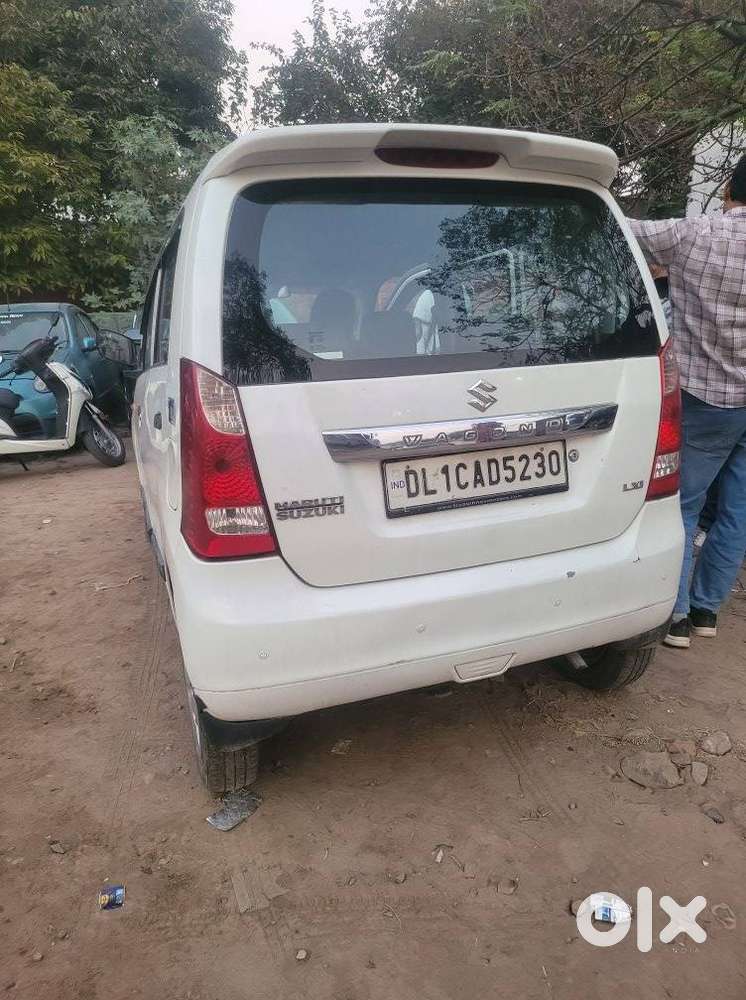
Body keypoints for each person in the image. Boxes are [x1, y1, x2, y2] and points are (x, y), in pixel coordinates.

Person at [629, 154, 746, 649]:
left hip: (706, 400)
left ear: (726, 191)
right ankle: (705, 611)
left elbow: (625, 225)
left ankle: (675, 616)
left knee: (683, 506)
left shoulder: (692, 234)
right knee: (738, 513)